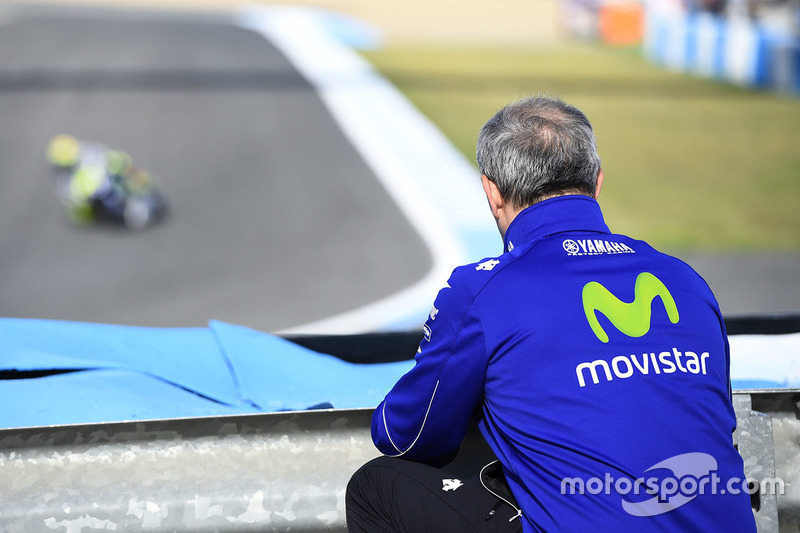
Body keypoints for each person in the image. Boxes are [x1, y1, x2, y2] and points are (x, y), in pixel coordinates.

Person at [345, 96, 756, 532]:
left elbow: (402, 434)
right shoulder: (685, 279)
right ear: (597, 182)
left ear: (492, 192)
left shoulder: (483, 288)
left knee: (376, 487)